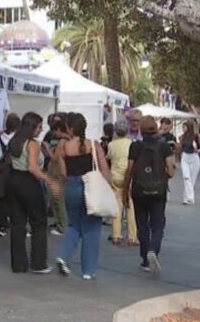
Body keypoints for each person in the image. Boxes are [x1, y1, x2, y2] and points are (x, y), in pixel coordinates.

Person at [55, 113, 111, 280]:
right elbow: (105, 171)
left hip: (72, 186)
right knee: (91, 229)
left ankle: (64, 255)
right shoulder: (94, 145)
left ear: (69, 128)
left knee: (74, 225)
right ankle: (88, 270)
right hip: (91, 186)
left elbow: (63, 173)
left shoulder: (63, 146)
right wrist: (107, 189)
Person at [6, 112, 61, 274]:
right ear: (31, 127)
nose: (41, 130)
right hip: (29, 182)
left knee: (17, 224)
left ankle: (18, 264)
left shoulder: (15, 141)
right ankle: (38, 262)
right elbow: (33, 168)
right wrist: (50, 181)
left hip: (13, 180)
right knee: (38, 222)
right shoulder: (32, 144)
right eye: (38, 127)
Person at [123, 116, 175, 274]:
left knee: (142, 224)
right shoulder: (164, 146)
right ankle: (154, 250)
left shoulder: (135, 146)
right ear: (156, 129)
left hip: (139, 191)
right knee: (158, 225)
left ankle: (145, 260)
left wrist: (125, 190)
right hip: (158, 191)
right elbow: (171, 171)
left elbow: (129, 170)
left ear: (141, 130)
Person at [106, 120, 138, 246]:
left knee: (117, 205)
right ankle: (132, 236)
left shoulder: (111, 145)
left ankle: (116, 235)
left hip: (115, 176)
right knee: (130, 206)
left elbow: (109, 157)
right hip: (129, 177)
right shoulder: (132, 144)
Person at [0, 113, 20, 237]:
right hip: (16, 171)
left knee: (2, 200)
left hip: (2, 172)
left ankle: (1, 226)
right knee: (17, 200)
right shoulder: (18, 139)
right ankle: (16, 224)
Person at [46, 119, 70, 237]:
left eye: (55, 130)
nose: (54, 133)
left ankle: (62, 226)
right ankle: (61, 223)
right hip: (62, 172)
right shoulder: (69, 140)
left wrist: (47, 148)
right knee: (60, 199)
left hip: (57, 172)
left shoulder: (62, 142)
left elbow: (55, 158)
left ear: (60, 130)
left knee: (57, 200)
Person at [179, 121, 200, 205]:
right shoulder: (182, 137)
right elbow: (180, 147)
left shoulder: (196, 136)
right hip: (185, 157)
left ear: (189, 127)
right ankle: (190, 198)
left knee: (192, 179)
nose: (183, 129)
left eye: (184, 127)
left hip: (194, 157)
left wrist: (198, 151)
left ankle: (186, 198)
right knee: (186, 177)